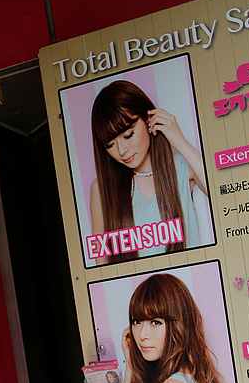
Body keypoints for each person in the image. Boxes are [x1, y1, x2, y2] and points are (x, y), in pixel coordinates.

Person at [89, 80, 208, 264]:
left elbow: (223, 191)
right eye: (110, 144)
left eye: (128, 135)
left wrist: (177, 138)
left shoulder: (180, 166)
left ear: (147, 119)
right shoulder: (101, 189)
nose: (121, 151)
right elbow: (102, 268)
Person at [121, 273, 228, 383]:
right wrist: (130, 367)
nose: (142, 335)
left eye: (155, 322)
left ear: (178, 325)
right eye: (137, 322)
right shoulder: (191, 379)